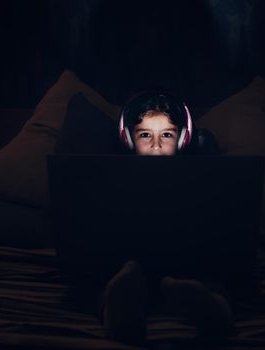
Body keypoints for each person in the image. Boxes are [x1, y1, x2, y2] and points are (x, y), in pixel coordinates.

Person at [98, 91, 236, 345]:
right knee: (113, 274)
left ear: (183, 139)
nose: (156, 146)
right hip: (130, 261)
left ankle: (211, 308)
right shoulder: (110, 176)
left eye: (167, 135)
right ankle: (121, 312)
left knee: (214, 274)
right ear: (128, 139)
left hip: (189, 260)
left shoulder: (203, 173)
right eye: (145, 135)